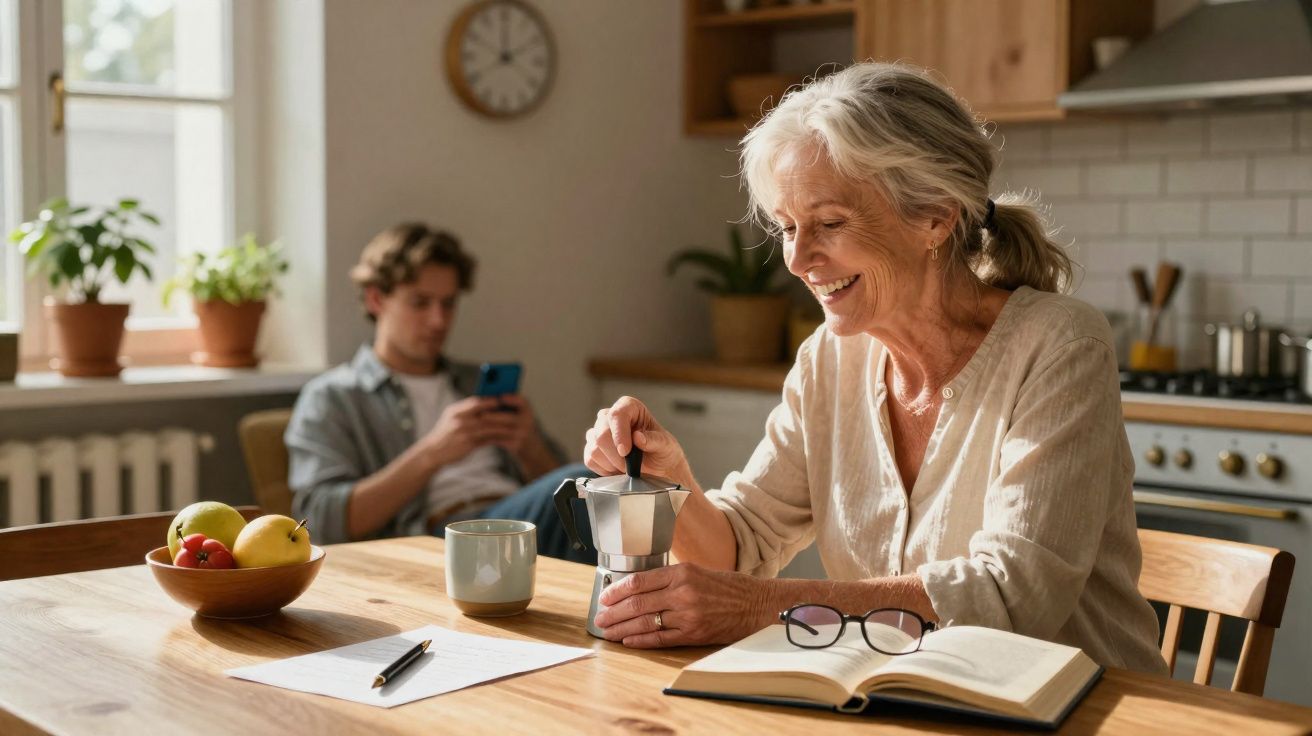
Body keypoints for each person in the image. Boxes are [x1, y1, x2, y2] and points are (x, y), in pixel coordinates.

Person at [585, 62, 1168, 674]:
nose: (799, 258)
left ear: (935, 218)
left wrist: (762, 607)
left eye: (831, 224)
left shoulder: (1060, 345)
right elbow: (739, 547)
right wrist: (669, 479)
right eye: (787, 227)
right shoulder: (828, 360)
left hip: (1087, 709)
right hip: (911, 704)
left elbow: (1013, 596)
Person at [285, 223, 592, 562]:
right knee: (583, 482)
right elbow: (319, 520)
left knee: (594, 490)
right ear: (376, 299)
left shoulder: (474, 381)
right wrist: (432, 453)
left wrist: (530, 447)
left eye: (448, 304)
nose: (438, 321)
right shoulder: (332, 397)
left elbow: (565, 496)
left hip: (520, 522)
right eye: (420, 303)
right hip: (438, 541)